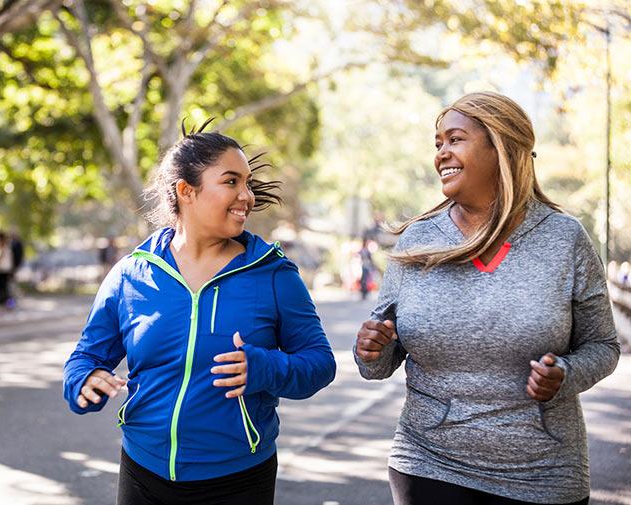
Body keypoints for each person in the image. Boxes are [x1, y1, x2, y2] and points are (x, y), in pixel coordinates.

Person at [354, 92, 619, 505]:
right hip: (428, 464)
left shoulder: (564, 239)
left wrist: (565, 374)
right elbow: (380, 362)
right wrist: (372, 351)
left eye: (455, 139)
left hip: (543, 473)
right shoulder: (418, 239)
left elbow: (603, 346)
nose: (442, 153)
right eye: (437, 143)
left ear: (501, 148)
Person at [63, 120, 336, 505]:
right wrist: (85, 380)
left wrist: (265, 369)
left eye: (248, 183)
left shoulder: (273, 275)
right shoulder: (132, 273)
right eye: (231, 182)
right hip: (143, 470)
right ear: (186, 191)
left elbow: (320, 363)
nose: (247, 196)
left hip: (238, 477)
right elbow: (86, 357)